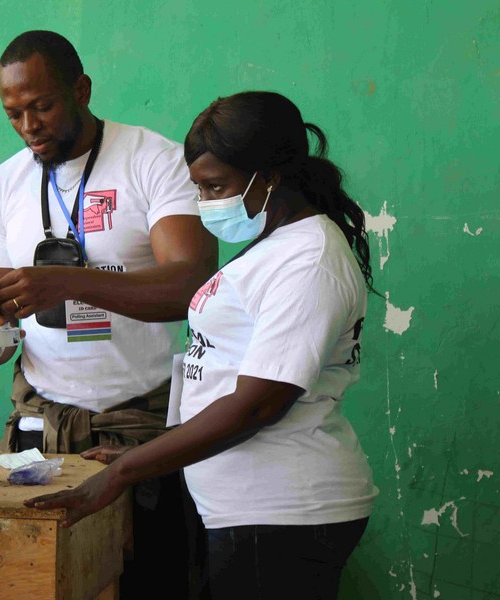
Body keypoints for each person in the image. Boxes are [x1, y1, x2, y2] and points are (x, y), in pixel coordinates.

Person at [26, 91, 380, 600]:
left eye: (217, 187)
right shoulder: (275, 245)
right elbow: (223, 374)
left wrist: (127, 471)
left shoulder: (309, 260)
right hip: (248, 509)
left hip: (284, 512)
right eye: (198, 188)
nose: (206, 204)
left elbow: (258, 404)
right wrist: (151, 451)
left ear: (271, 175)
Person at [0, 30, 217, 598]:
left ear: (82, 89)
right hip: (41, 431)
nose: (30, 125)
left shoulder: (153, 161)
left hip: (140, 429)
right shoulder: (3, 187)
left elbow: (191, 283)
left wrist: (69, 281)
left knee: (149, 584)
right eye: (14, 114)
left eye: (43, 105)